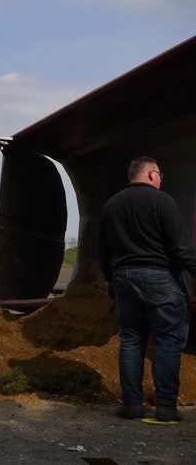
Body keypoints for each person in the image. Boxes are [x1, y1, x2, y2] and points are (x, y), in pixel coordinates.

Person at [98, 156, 196, 423]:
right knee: (166, 339)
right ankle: (165, 406)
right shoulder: (162, 201)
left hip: (123, 279)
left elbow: (103, 250)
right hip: (159, 276)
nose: (161, 178)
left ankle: (131, 405)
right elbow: (180, 247)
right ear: (151, 174)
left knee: (131, 340)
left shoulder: (111, 205)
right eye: (160, 174)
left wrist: (109, 279)